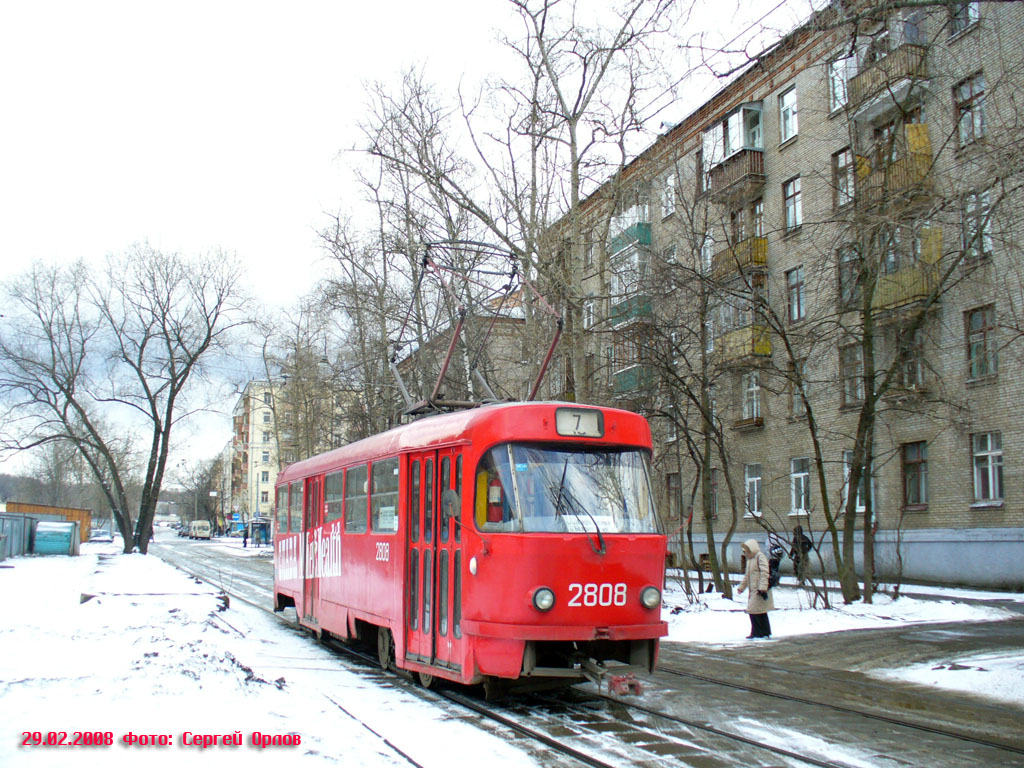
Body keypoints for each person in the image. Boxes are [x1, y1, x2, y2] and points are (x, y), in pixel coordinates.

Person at [736, 538, 773, 639]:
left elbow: (765, 572)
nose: (746, 554)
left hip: (759, 590)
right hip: (754, 590)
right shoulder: (750, 561)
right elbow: (747, 576)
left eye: (747, 551)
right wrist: (741, 587)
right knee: (759, 611)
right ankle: (763, 632)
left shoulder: (760, 557)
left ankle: (759, 632)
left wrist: (762, 587)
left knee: (754, 610)